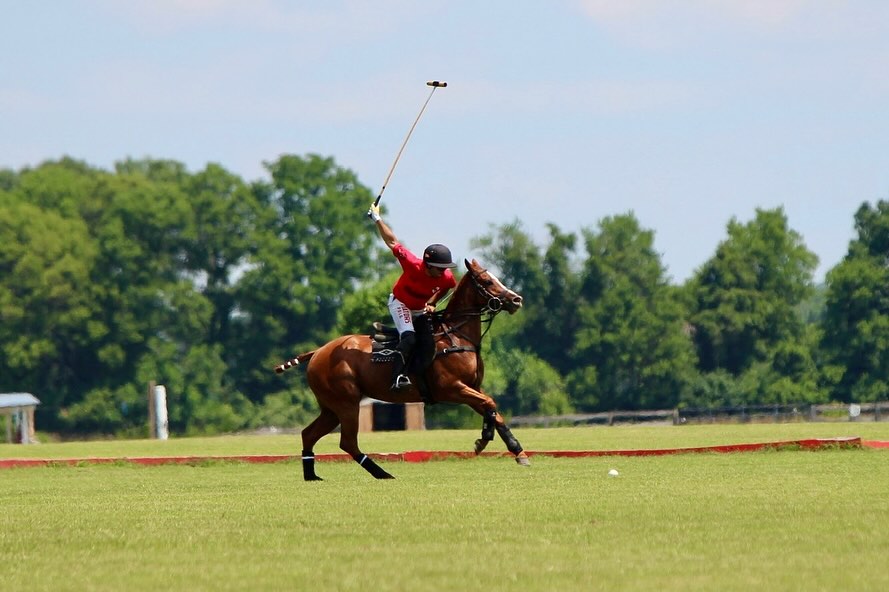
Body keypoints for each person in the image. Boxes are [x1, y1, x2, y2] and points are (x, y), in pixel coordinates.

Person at [368, 203, 457, 390]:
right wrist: (377, 219)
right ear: (428, 264)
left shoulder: (446, 277)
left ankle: (421, 379)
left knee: (428, 341)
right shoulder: (412, 264)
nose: (443, 272)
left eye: (445, 268)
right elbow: (392, 242)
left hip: (418, 309)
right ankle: (397, 378)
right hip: (400, 303)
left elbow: (448, 288)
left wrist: (432, 303)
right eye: (439, 268)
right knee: (409, 338)